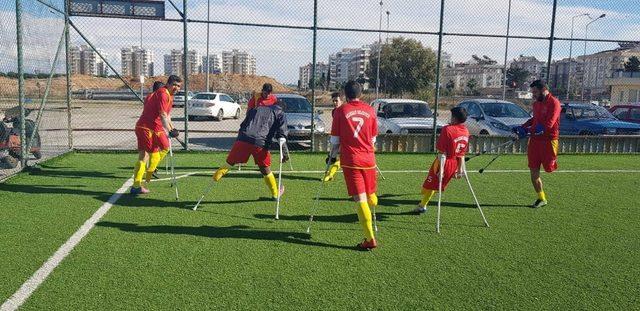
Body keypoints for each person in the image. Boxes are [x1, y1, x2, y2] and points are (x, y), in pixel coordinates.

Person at [327, 81, 379, 250]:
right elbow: (373, 139)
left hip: (352, 161)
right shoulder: (370, 110)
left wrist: (331, 159)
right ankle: (373, 201)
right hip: (369, 160)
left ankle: (370, 239)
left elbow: (335, 141)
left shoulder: (341, 111)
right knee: (370, 194)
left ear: (345, 95)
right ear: (361, 94)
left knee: (360, 198)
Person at [212, 101, 289, 200]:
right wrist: (284, 153)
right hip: (260, 142)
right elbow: (282, 134)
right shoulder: (280, 113)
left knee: (229, 163)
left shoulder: (256, 108)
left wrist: (241, 137)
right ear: (282, 108)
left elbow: (243, 125)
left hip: (243, 139)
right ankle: (275, 194)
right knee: (265, 168)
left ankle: (214, 179)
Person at [513, 80, 561, 208]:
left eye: (535, 92)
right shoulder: (536, 104)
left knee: (549, 169)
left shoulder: (554, 103)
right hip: (534, 141)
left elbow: (548, 125)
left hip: (549, 141)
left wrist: (527, 130)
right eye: (532, 92)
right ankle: (541, 198)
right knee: (533, 171)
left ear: (544, 90)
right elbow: (535, 119)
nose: (533, 95)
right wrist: (522, 127)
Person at [131, 75, 182, 195]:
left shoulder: (170, 96)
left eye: (179, 86)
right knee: (143, 156)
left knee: (162, 149)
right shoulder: (163, 94)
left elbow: (167, 116)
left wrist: (172, 128)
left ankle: (150, 170)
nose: (176, 88)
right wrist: (169, 130)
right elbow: (163, 114)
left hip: (154, 128)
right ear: (168, 84)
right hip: (146, 127)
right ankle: (136, 186)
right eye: (174, 85)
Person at [414, 107, 470, 214]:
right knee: (432, 185)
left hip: (444, 162)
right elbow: (462, 154)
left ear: (454, 117)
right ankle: (423, 203)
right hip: (454, 163)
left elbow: (442, 153)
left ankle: (422, 205)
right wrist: (460, 169)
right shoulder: (466, 131)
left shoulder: (447, 129)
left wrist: (442, 169)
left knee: (431, 185)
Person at [322, 92, 344, 182]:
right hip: (337, 136)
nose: (335, 103)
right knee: (332, 156)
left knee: (343, 157)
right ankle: (329, 173)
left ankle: (330, 174)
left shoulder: (344, 110)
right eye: (333, 101)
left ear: (341, 101)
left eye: (337, 101)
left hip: (346, 137)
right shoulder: (334, 111)